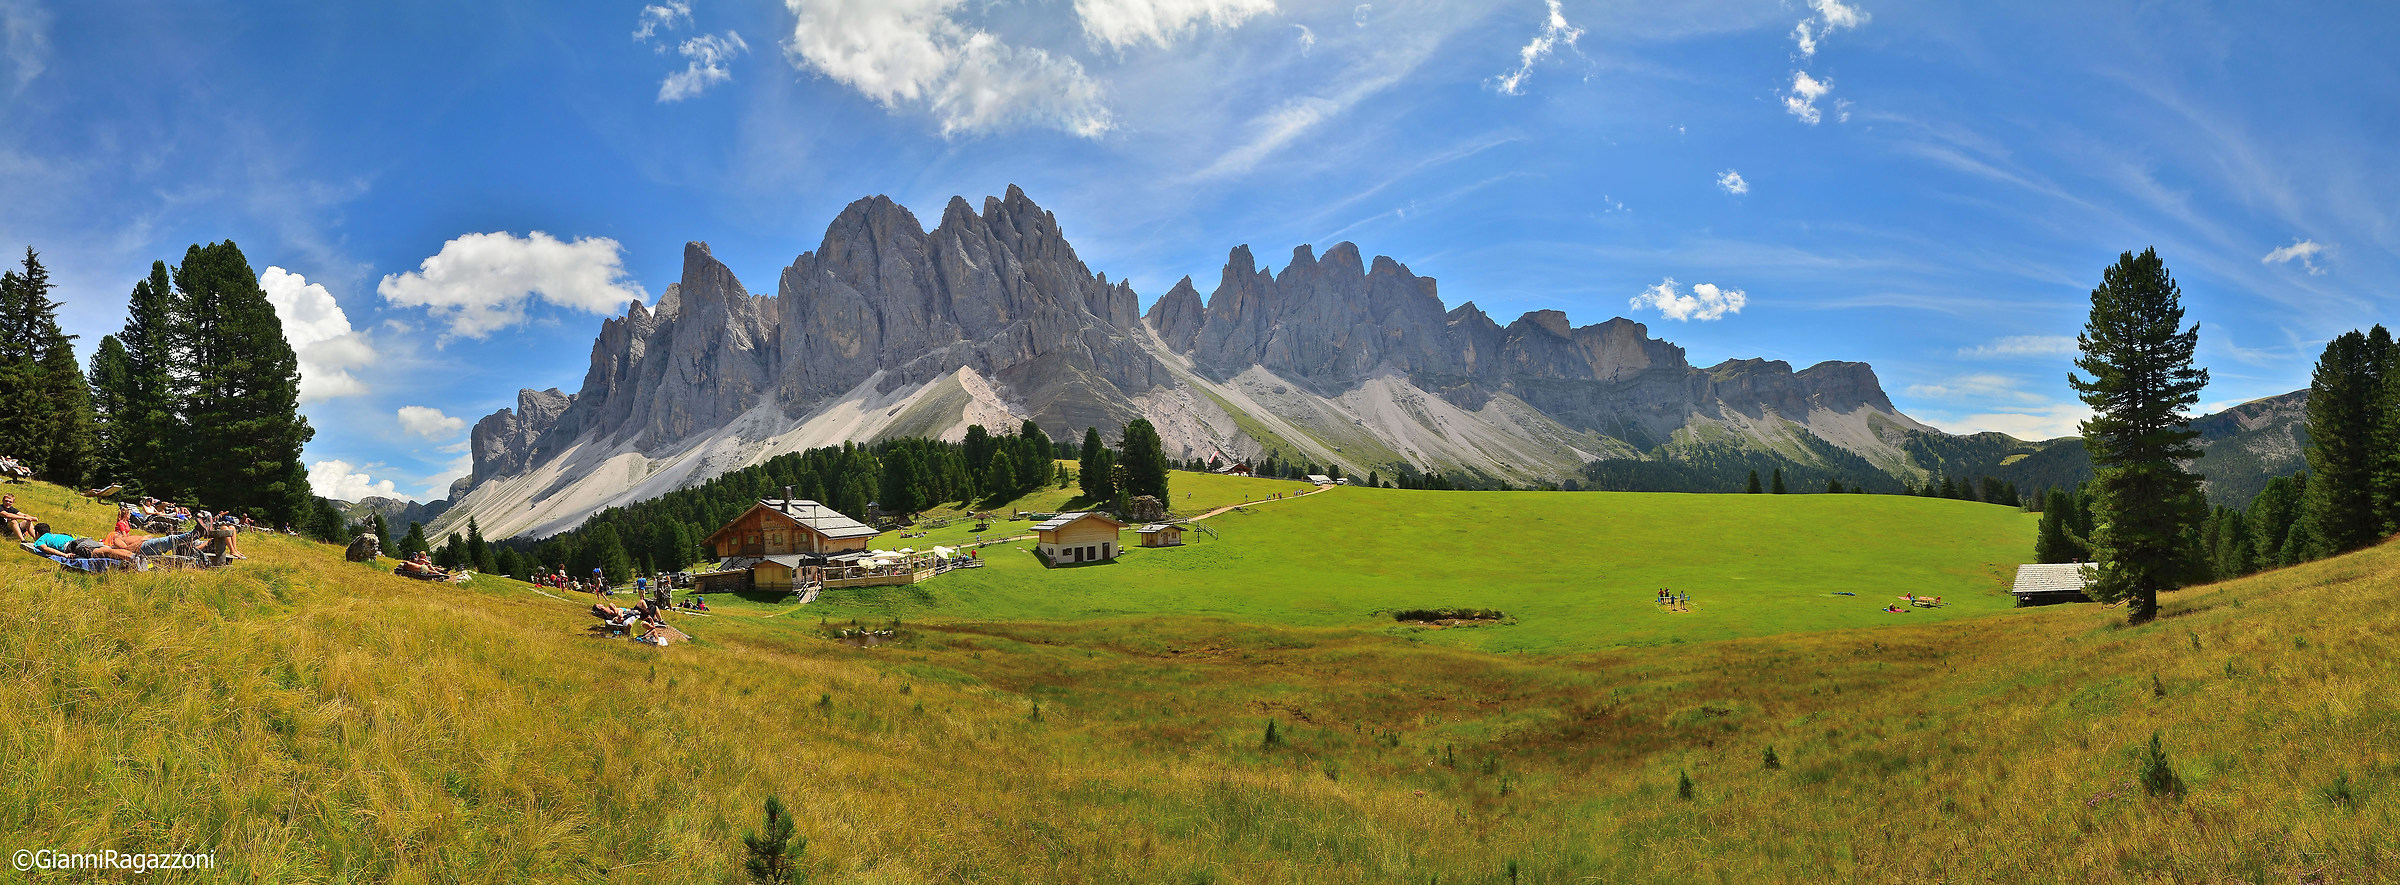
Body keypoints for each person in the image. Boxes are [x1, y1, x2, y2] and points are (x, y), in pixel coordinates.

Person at [30, 522, 134, 562]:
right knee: (107, 549)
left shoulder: (41, 539)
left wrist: (64, 555)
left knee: (103, 552)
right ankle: (133, 555)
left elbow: (45, 548)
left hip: (75, 546)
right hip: (81, 540)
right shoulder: (56, 535)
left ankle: (132, 558)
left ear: (38, 533)